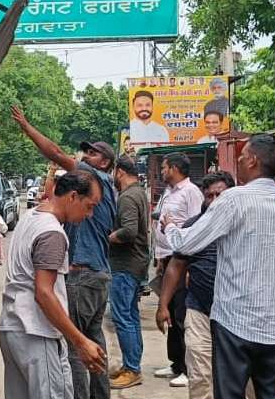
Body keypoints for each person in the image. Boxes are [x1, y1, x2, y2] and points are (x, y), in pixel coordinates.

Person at [165, 134, 275, 399]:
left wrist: (170, 227)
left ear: (253, 161)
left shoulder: (233, 200)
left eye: (242, 157)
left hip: (235, 323)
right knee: (272, 394)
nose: (239, 162)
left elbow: (188, 243)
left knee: (229, 393)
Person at [11, 106, 118, 399]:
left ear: (105, 163)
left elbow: (55, 152)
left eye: (92, 154)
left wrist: (27, 127)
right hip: (98, 275)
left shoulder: (91, 182)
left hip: (82, 276)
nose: (85, 157)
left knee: (75, 347)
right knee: (93, 342)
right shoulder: (105, 188)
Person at [0, 170, 107, 399]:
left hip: (13, 327)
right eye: (89, 206)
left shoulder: (30, 216)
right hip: (37, 332)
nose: (90, 214)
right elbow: (44, 293)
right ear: (73, 197)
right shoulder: (52, 233)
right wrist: (80, 341)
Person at [156, 172, 236, 399]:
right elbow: (176, 266)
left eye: (219, 194)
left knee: (244, 379)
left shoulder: (242, 225)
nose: (213, 200)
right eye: (209, 195)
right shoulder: (194, 226)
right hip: (199, 309)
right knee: (201, 376)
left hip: (236, 315)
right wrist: (163, 305)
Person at [152, 152, 203, 387]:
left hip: (183, 261)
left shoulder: (191, 192)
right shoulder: (169, 192)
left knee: (181, 315)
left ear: (174, 168)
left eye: (164, 168)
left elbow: (196, 228)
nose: (162, 172)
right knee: (169, 312)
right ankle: (174, 363)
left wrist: (191, 265)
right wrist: (160, 258)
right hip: (167, 258)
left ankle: (186, 368)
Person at [108, 156, 151, 389]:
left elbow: (129, 231)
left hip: (125, 266)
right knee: (131, 317)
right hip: (136, 264)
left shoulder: (127, 197)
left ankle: (132, 369)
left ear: (120, 172)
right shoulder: (139, 192)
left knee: (123, 317)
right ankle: (131, 365)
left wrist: (109, 237)